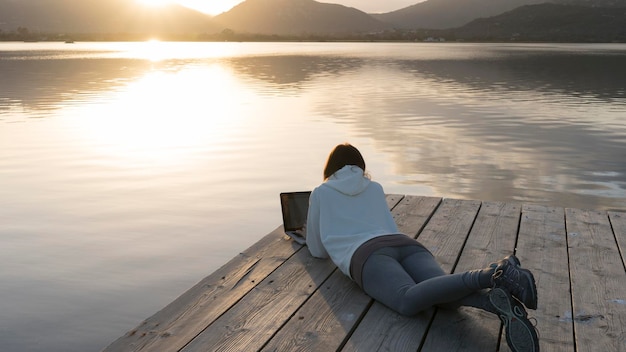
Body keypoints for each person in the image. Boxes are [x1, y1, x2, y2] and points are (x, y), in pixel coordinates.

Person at [304, 143, 540, 352]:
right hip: (406, 245)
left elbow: (317, 251)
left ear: (330, 169)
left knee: (407, 300)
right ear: (360, 166)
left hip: (367, 255)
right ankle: (492, 302)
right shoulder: (373, 187)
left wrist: (307, 234)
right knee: (444, 298)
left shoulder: (321, 193)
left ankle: (492, 274)